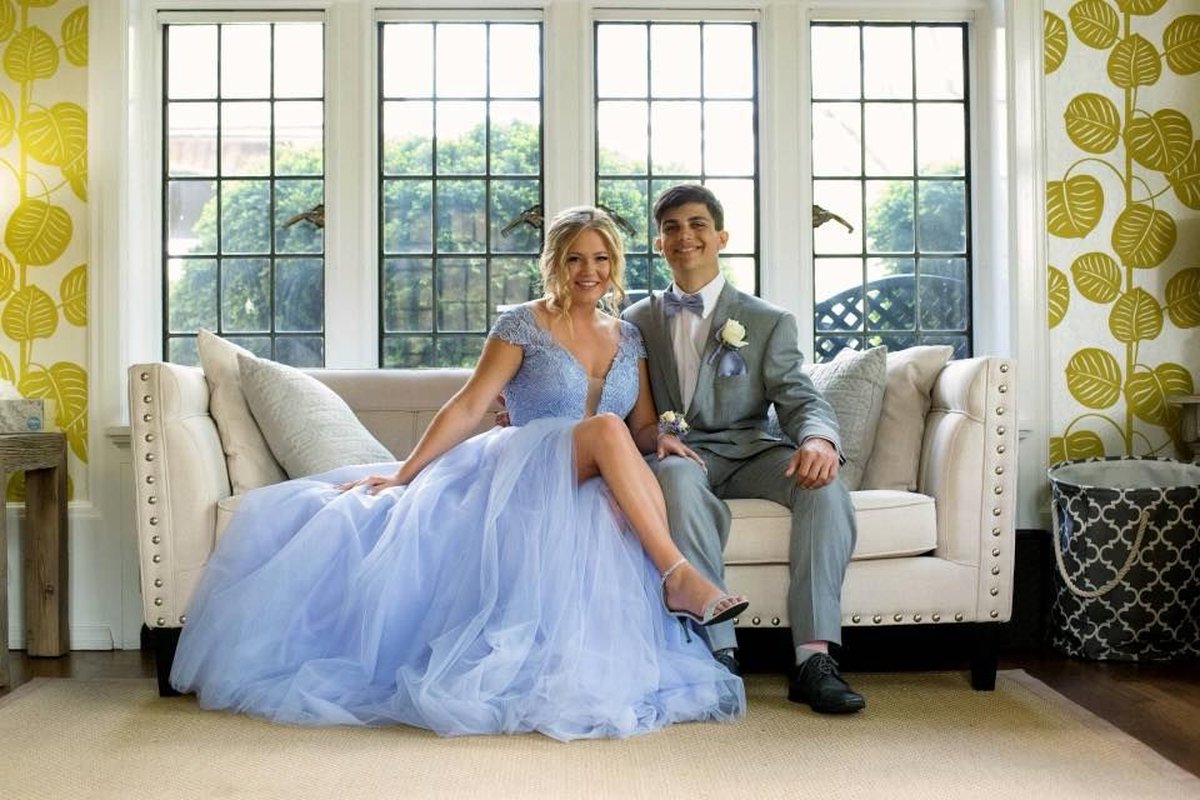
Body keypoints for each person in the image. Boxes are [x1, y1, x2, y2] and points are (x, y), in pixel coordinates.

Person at [169, 207, 748, 740]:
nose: (588, 270)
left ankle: (669, 590)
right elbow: (471, 405)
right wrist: (405, 473)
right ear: (555, 263)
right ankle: (678, 575)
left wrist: (664, 437)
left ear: (614, 266)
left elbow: (640, 425)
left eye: (600, 259)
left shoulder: (627, 336)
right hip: (523, 465)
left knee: (615, 437)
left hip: (595, 468)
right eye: (574, 257)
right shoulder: (522, 324)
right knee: (603, 431)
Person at [622, 184, 865, 714]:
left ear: (721, 237)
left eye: (696, 225)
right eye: (671, 228)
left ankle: (814, 660)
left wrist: (819, 438)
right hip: (678, 454)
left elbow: (799, 396)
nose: (684, 236)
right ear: (659, 244)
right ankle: (719, 653)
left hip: (753, 451)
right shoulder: (633, 320)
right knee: (678, 483)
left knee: (825, 490)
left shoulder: (767, 319)